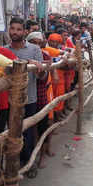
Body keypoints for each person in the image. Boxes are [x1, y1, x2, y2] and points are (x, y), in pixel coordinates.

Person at [5, 17, 46, 178]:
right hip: (8, 100)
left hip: (29, 98)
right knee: (10, 133)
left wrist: (38, 68)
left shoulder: (35, 50)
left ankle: (28, 163)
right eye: (12, 28)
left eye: (18, 29)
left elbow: (42, 76)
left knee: (27, 132)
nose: (15, 32)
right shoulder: (3, 50)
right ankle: (12, 165)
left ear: (24, 32)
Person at [26, 32, 57, 168]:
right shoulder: (23, 55)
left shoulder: (46, 55)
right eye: (34, 42)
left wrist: (45, 67)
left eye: (39, 42)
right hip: (28, 96)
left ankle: (42, 155)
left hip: (42, 93)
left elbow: (51, 74)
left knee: (45, 124)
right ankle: (32, 155)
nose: (37, 45)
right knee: (31, 129)